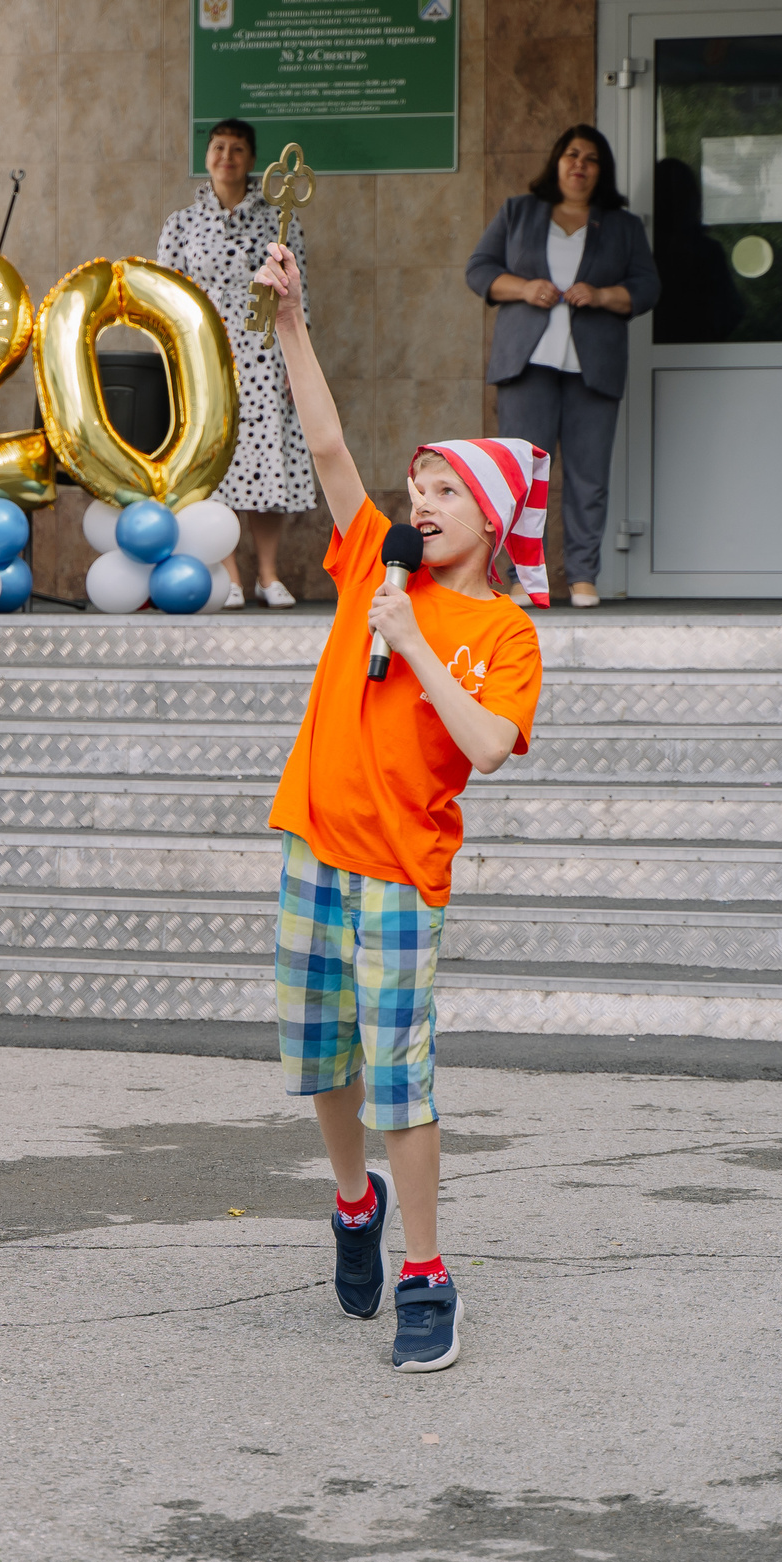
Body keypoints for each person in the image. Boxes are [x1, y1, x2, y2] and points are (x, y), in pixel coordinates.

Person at [253, 239, 544, 1373]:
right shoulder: (371, 559)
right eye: (415, 486)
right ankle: (350, 1204)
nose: (415, 501)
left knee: (401, 1078)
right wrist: (288, 317)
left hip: (400, 875)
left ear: (488, 519)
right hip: (312, 846)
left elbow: (486, 746)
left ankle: (426, 1271)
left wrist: (416, 643)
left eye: (441, 492)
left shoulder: (498, 632)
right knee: (323, 1064)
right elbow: (326, 442)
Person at [465, 125, 659, 609]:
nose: (580, 165)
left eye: (591, 158)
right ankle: (522, 579)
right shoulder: (519, 212)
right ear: (556, 162)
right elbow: (480, 270)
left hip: (593, 367)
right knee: (520, 478)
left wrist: (603, 294)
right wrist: (524, 288)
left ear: (602, 171)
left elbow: (648, 287)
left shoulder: (623, 225)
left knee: (588, 476)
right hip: (526, 365)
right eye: (572, 155)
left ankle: (582, 578)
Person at [155, 117, 313, 608]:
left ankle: (268, 575)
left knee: (266, 465)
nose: (226, 156)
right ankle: (230, 578)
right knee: (214, 466)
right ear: (207, 155)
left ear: (251, 159)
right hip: (206, 357)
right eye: (218, 147)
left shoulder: (277, 219)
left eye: (238, 149)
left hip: (264, 357)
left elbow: (297, 294)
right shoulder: (181, 223)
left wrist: (296, 360)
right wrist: (172, 358)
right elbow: (163, 297)